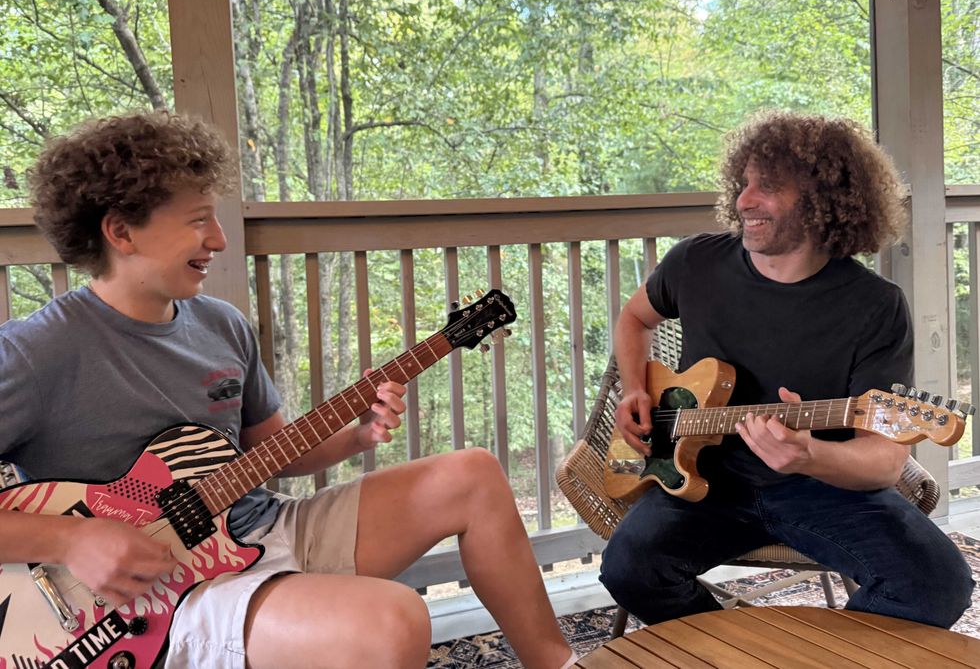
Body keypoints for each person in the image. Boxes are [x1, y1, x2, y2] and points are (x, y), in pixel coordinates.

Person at [0, 111, 576, 669]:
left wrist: (359, 436)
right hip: (157, 596)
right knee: (390, 622)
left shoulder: (220, 325)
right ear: (121, 231)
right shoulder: (35, 352)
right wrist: (72, 539)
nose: (220, 240)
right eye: (199, 220)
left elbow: (271, 451)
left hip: (259, 527)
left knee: (473, 475)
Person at [599, 110, 974, 629]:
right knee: (628, 569)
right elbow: (634, 318)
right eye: (744, 183)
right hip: (704, 480)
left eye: (768, 187)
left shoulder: (875, 306)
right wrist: (634, 391)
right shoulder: (695, 263)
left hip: (820, 486)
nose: (743, 201)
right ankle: (732, 652)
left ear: (825, 202)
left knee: (938, 585)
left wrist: (809, 455)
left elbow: (884, 462)